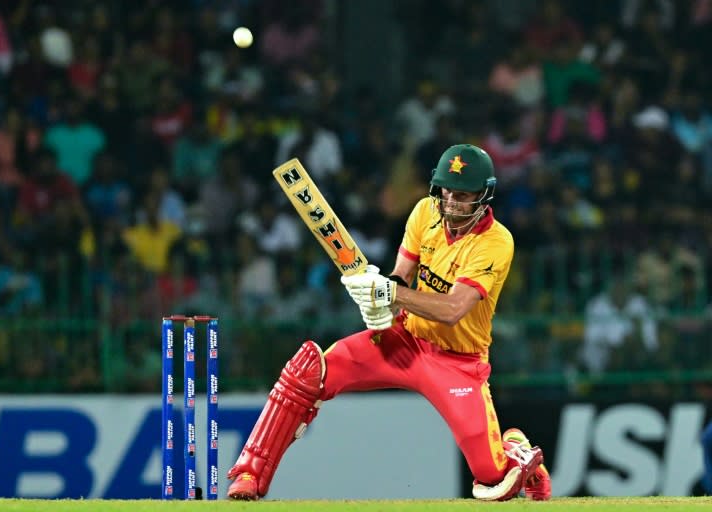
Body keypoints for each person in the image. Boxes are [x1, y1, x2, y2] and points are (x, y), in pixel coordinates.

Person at [226, 144, 552, 501]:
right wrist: (376, 297)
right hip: (406, 340)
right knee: (309, 371)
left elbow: (453, 309)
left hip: (458, 362)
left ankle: (515, 449)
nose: (452, 202)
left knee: (493, 483)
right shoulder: (424, 212)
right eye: (446, 192)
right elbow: (400, 276)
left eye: (462, 195)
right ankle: (248, 474)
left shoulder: (496, 241)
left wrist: (388, 294)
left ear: (483, 195)